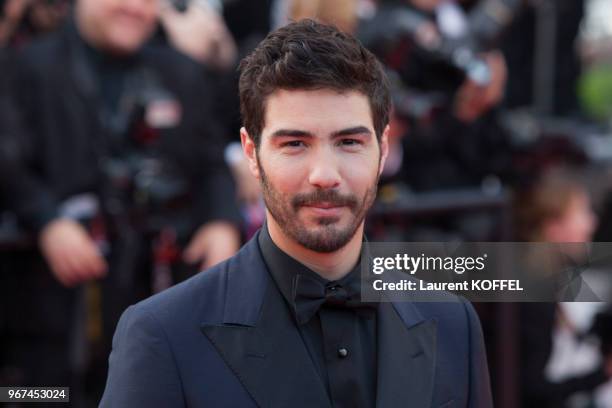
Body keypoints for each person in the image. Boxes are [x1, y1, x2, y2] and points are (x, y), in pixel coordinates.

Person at [100, 19, 492, 407]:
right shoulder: (164, 334)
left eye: (350, 142)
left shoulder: (453, 323)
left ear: (383, 150)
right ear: (252, 153)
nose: (324, 175)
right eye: (295, 144)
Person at [0, 0, 240, 398]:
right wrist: (47, 221)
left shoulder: (181, 72)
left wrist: (221, 222)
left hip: (156, 298)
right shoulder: (26, 68)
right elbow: (9, 164)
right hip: (51, 318)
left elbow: (211, 162)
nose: (134, 7)